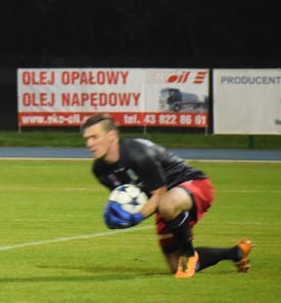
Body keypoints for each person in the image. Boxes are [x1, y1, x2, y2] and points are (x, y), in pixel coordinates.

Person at [81, 113, 253, 277]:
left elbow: (159, 193)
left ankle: (188, 253)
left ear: (111, 136)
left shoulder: (137, 154)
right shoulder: (100, 170)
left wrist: (137, 216)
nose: (89, 144)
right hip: (166, 202)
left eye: (94, 137)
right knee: (174, 265)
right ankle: (236, 252)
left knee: (167, 204)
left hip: (194, 185)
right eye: (87, 139)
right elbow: (133, 198)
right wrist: (119, 215)